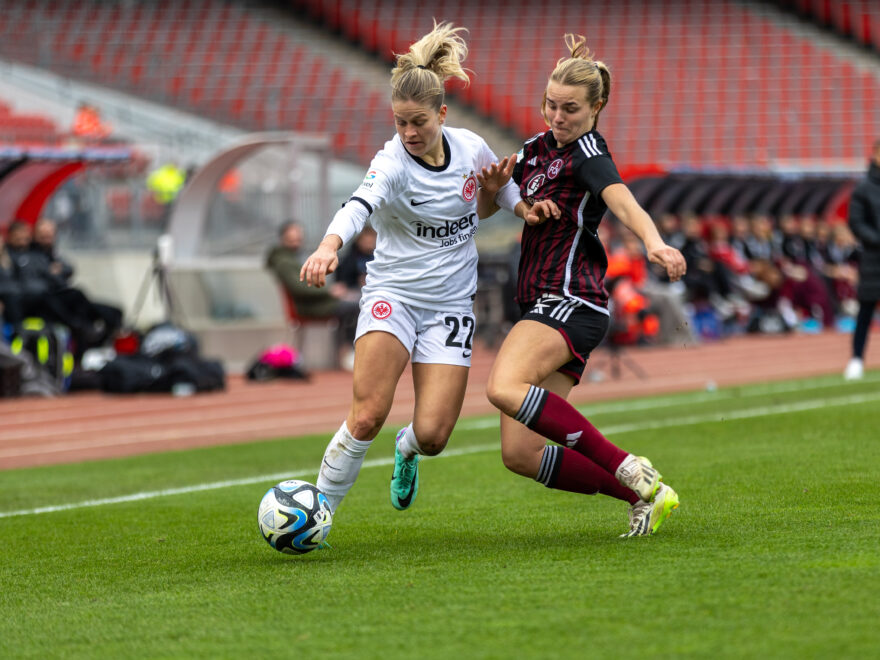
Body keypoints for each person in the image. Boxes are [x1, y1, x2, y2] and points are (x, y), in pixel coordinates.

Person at [300, 22, 521, 515]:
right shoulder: (392, 162)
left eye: (418, 121)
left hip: (450, 306)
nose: (409, 133)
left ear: (442, 113)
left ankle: (407, 448)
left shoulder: (470, 148)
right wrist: (328, 246)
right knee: (367, 415)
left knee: (434, 436)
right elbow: (359, 205)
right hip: (394, 296)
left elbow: (503, 190)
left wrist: (526, 208)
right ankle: (319, 514)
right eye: (400, 122)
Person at [476, 34, 686, 537]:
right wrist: (493, 193)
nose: (557, 115)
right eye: (551, 104)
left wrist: (654, 242)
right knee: (520, 454)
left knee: (502, 387)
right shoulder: (534, 149)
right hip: (542, 304)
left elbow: (621, 199)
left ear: (596, 107)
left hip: (569, 298)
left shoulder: (589, 151)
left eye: (570, 108)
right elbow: (487, 209)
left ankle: (626, 465)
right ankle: (646, 495)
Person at [266, 219, 360, 366]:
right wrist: (330, 291)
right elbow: (299, 288)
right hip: (308, 307)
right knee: (355, 306)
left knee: (354, 302)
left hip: (316, 303)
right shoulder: (284, 261)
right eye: (292, 239)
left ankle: (346, 353)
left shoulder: (291, 258)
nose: (296, 242)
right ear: (283, 238)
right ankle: (348, 352)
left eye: (299, 238)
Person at [844, 139, 880, 380]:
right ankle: (856, 359)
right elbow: (856, 223)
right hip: (873, 258)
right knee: (865, 310)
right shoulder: (864, 188)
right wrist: (876, 239)